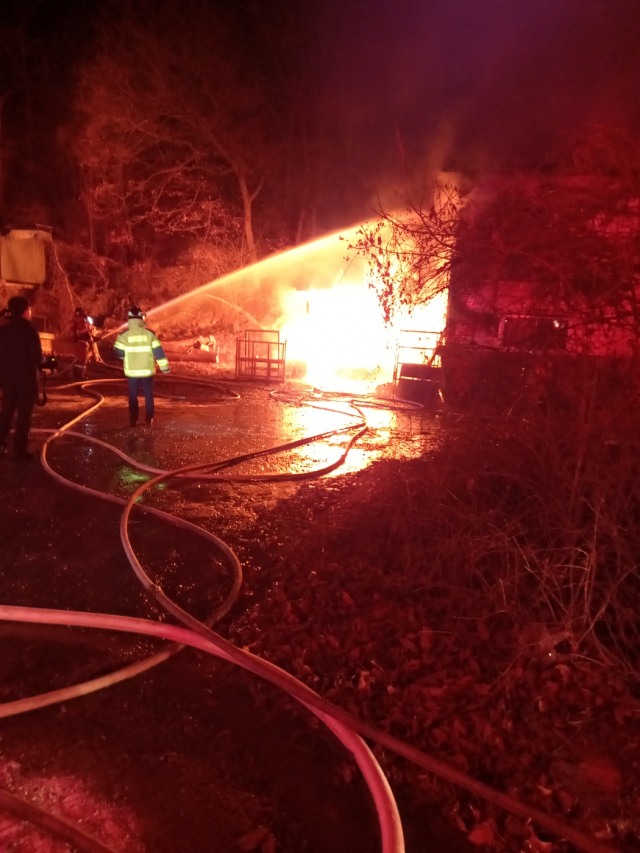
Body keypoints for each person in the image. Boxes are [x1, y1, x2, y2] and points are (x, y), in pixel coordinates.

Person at [0, 295, 43, 459]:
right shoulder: (30, 330)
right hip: (26, 380)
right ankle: (19, 451)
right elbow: (35, 356)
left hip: (7, 379)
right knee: (24, 416)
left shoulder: (3, 330)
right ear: (26, 311)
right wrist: (44, 360)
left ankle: (1, 442)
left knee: (6, 413)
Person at [114, 306, 170, 427]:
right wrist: (164, 367)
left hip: (132, 372)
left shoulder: (123, 335)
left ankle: (133, 419)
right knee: (148, 394)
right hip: (147, 371)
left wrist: (127, 357)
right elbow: (158, 352)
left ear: (129, 318)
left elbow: (117, 352)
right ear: (141, 318)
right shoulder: (150, 334)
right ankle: (149, 418)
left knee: (132, 395)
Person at [69, 307, 95, 379]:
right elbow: (84, 333)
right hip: (82, 344)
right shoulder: (81, 321)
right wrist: (91, 339)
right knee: (83, 360)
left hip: (77, 343)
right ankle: (80, 375)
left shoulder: (74, 320)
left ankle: (76, 373)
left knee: (78, 359)